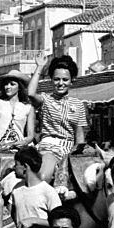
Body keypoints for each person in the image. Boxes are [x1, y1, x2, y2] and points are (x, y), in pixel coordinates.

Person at [27, 54, 88, 185]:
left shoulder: (78, 104)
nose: (61, 83)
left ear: (72, 80)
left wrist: (79, 153)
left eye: (65, 79)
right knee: (43, 177)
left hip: (70, 149)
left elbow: (79, 134)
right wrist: (40, 67)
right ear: (51, 80)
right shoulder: (45, 100)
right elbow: (31, 93)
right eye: (56, 79)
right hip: (49, 148)